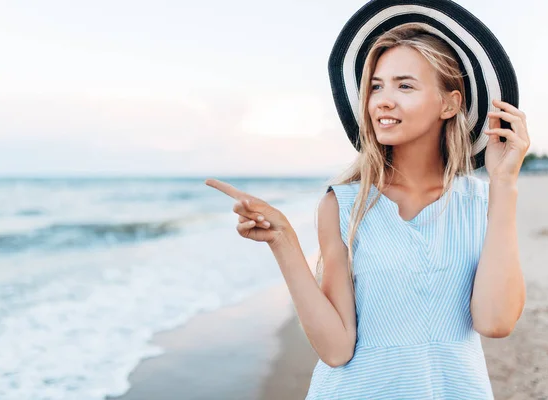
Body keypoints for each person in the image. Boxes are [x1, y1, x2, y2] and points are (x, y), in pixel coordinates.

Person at [205, 1, 528, 398]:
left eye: (404, 85)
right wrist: (283, 240)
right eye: (376, 86)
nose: (382, 101)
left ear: (450, 103)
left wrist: (504, 182)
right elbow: (336, 350)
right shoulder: (344, 204)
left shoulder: (482, 201)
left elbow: (496, 321)